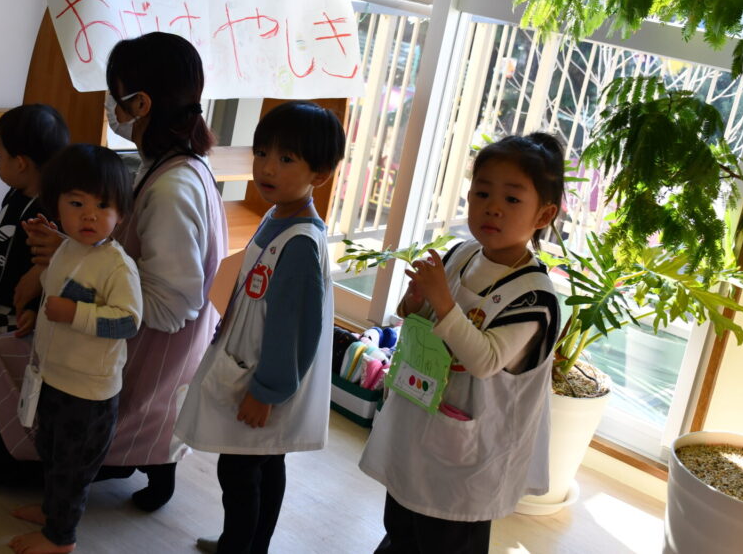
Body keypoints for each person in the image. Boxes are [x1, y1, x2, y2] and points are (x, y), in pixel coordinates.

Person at [0, 31, 228, 511]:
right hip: (139, 353)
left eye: (115, 95)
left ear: (140, 104)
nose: (110, 106)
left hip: (142, 359)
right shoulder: (172, 165)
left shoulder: (172, 189)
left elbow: (169, 307)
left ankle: (127, 455)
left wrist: (77, 256)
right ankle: (145, 457)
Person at [358, 133, 566, 554]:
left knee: (447, 538)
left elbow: (485, 360)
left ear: (544, 214)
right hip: (420, 423)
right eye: (482, 193)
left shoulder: (534, 298)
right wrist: (415, 301)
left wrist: (441, 299)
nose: (492, 207)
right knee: (402, 521)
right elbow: (420, 320)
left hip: (472, 453)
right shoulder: (461, 254)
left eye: (512, 199)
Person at [174, 101, 347, 554]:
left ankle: (239, 547)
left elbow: (293, 330)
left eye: (286, 159)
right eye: (262, 152)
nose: (267, 167)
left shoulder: (300, 243)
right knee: (264, 465)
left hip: (266, 384)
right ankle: (251, 546)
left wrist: (267, 391)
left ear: (320, 174)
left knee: (239, 471)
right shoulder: (277, 216)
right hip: (252, 369)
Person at [8, 143, 142, 554]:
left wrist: (76, 313)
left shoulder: (117, 266)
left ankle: (61, 538)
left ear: (121, 213)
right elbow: (55, 296)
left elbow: (128, 321)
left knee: (73, 465)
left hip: (89, 392)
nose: (89, 215)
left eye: (103, 205)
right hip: (54, 376)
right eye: (77, 203)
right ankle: (53, 511)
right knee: (50, 451)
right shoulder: (67, 248)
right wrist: (38, 317)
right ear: (57, 204)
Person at [0, 104, 69, 409]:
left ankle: (6, 407)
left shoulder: (46, 211)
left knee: (5, 356)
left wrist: (32, 307)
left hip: (16, 305)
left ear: (20, 163)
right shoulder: (16, 192)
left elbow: (45, 267)